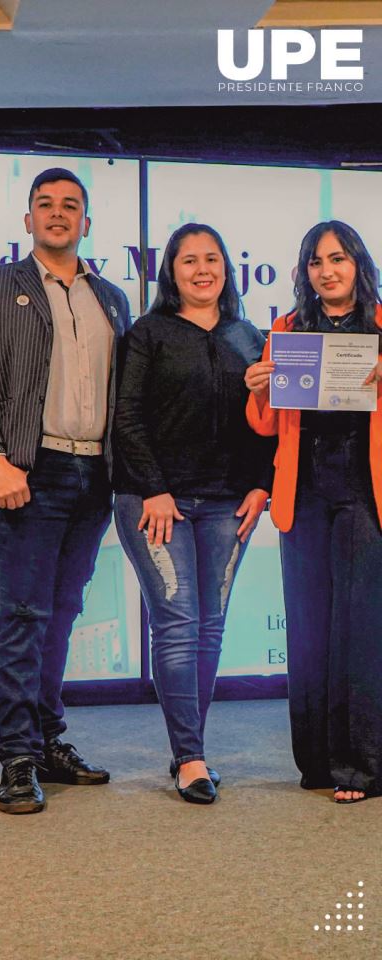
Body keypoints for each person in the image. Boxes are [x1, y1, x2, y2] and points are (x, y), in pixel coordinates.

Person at [0, 168, 130, 814]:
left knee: (63, 614)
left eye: (71, 206)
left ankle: (50, 737)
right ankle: (17, 757)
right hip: (30, 471)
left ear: (87, 221)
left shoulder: (112, 298)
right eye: (45, 205)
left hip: (95, 477)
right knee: (23, 616)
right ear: (28, 220)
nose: (58, 214)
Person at [114, 223, 272, 805]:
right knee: (177, 624)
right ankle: (191, 758)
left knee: (210, 629)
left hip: (230, 502)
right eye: (189, 261)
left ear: (226, 268)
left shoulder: (249, 336)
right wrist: (153, 488)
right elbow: (125, 417)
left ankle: (190, 749)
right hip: (157, 502)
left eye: (212, 259)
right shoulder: (147, 332)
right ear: (171, 273)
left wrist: (264, 484)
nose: (202, 269)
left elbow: (270, 422)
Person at [245, 220, 382, 804]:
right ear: (305, 272)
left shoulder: (381, 329)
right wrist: (257, 388)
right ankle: (319, 763)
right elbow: (266, 424)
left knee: (359, 630)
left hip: (363, 488)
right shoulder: (286, 330)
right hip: (303, 492)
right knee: (307, 629)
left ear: (359, 266)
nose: (328, 271)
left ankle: (360, 766)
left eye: (340, 259)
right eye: (317, 262)